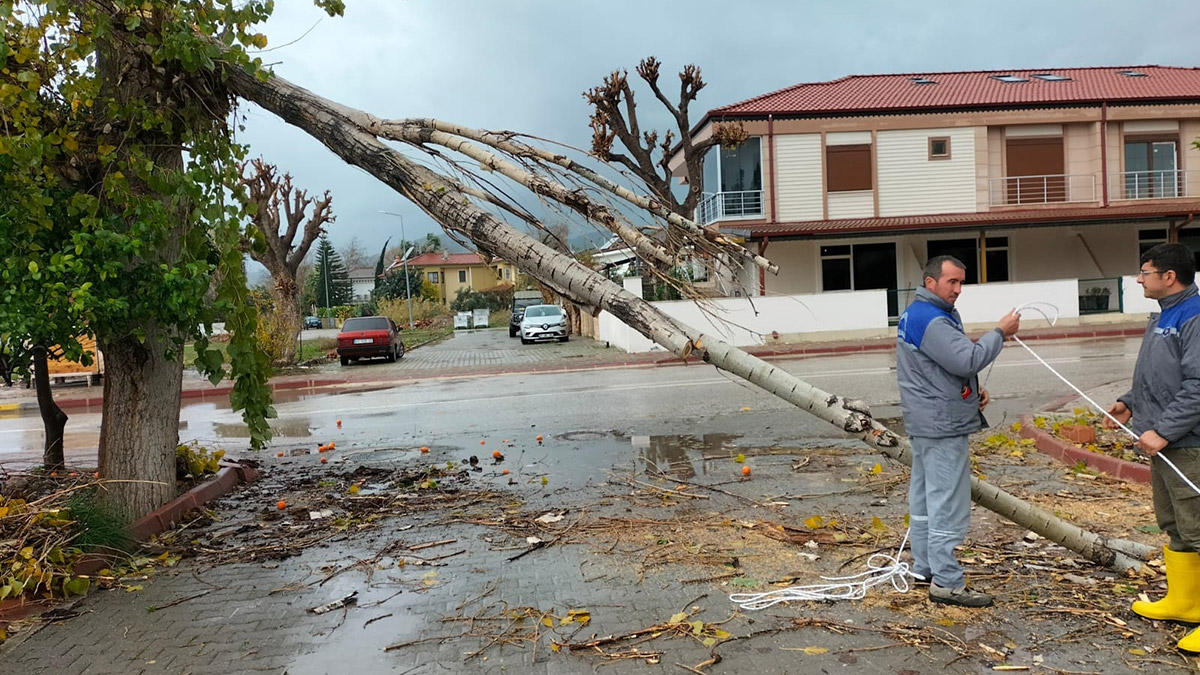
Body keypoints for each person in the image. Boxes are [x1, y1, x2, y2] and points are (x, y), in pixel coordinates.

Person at [896, 255, 1020, 607]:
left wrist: (967, 391)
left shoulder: (918, 314)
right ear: (930, 282)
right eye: (952, 282)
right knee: (947, 503)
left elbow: (936, 368)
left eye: (961, 282)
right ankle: (947, 582)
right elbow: (966, 359)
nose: (958, 290)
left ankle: (925, 567)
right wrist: (1000, 333)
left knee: (924, 496)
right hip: (941, 424)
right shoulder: (931, 318)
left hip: (926, 421)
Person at [1103, 243, 1200, 653]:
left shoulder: (1194, 317)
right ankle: (1186, 602)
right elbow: (1160, 375)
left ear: (1169, 277)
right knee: (1175, 524)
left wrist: (1163, 429)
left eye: (1144, 272)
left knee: (1198, 527)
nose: (1140, 279)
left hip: (1189, 443)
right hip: (1167, 441)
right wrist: (1130, 401)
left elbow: (1198, 385)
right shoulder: (1167, 314)